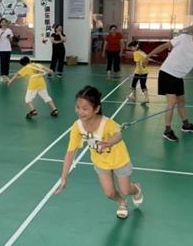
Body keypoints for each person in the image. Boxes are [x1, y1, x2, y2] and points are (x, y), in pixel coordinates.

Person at [55, 86, 143, 219]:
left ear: (96, 109)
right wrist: (64, 177)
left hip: (119, 159)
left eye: (85, 108)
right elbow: (70, 152)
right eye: (78, 107)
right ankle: (122, 203)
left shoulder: (107, 123)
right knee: (109, 193)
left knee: (126, 190)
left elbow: (117, 135)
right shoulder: (77, 126)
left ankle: (136, 189)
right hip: (100, 162)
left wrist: (110, 142)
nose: (80, 112)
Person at [0, 18, 14, 83]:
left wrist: (9, 37)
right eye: (2, 22)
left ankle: (6, 75)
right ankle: (1, 76)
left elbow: (11, 40)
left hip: (8, 49)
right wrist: (0, 34)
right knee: (2, 63)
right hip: (1, 49)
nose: (3, 23)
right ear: (0, 23)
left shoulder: (9, 30)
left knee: (7, 63)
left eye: (4, 22)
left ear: (6, 23)